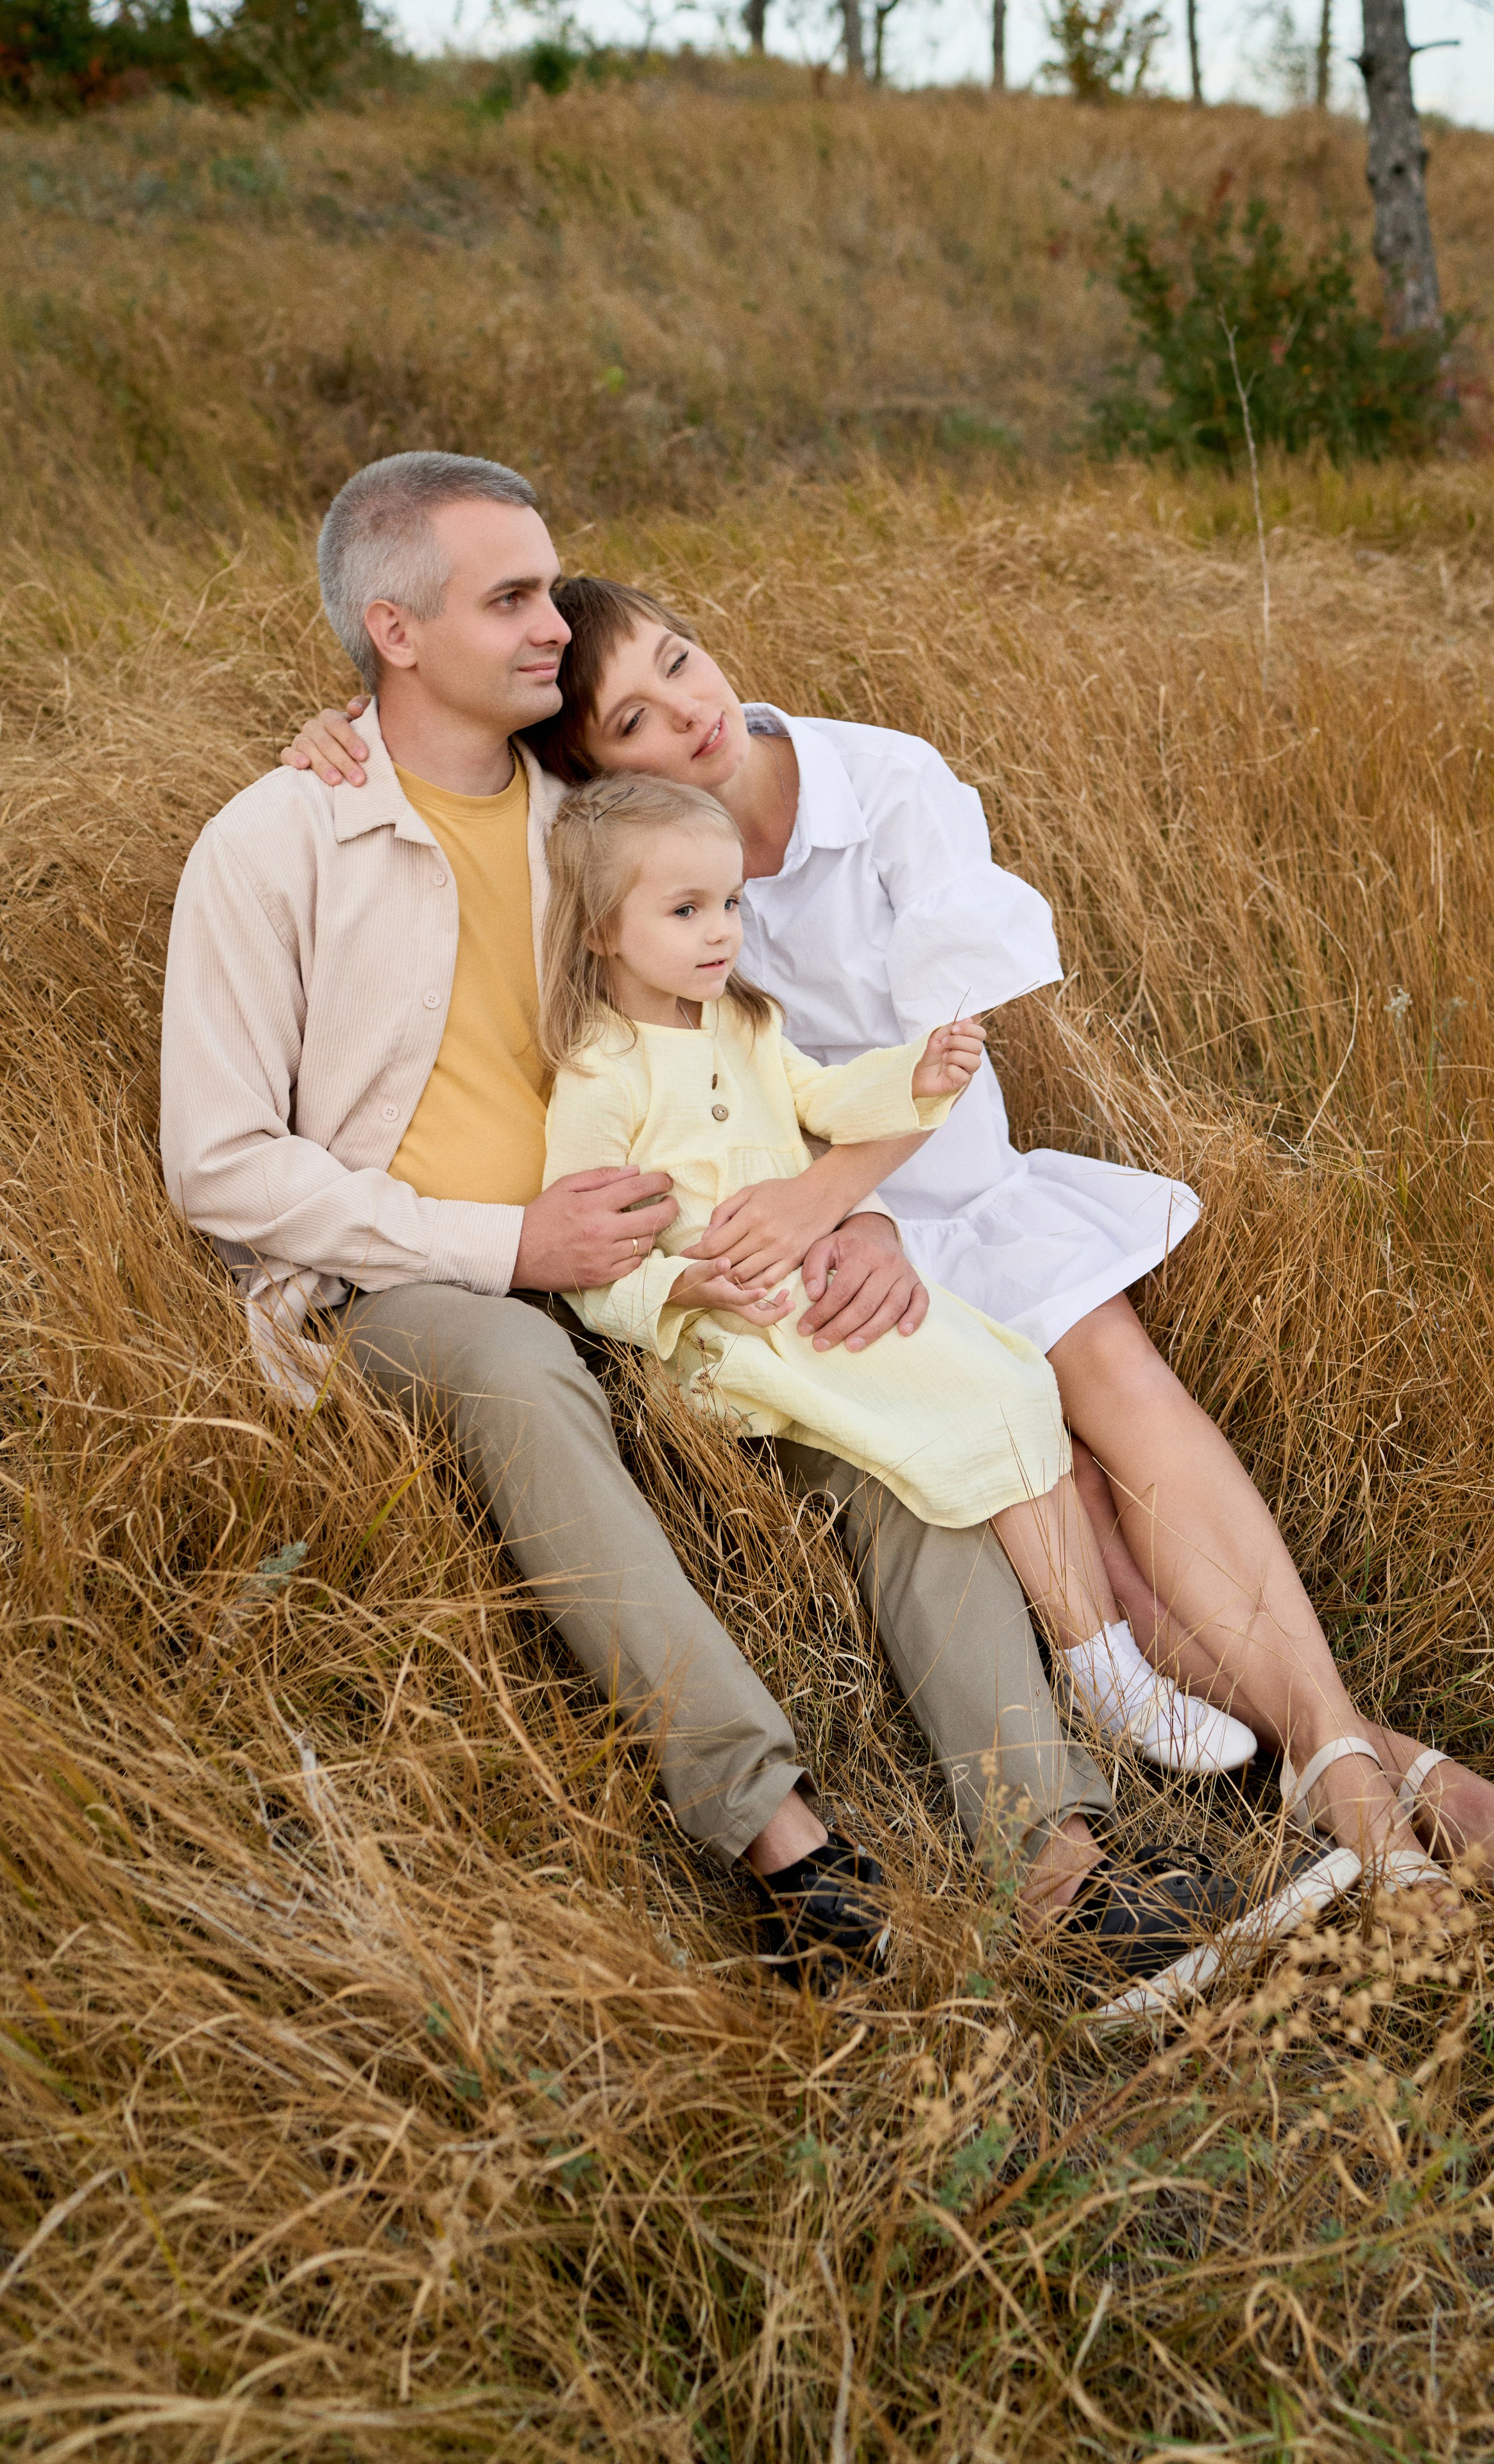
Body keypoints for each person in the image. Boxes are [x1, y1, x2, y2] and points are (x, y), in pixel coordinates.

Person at [162, 447, 1346, 2023]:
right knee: (517, 1373)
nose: (552, 623)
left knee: (886, 1410)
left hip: (674, 1261)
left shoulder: (596, 818)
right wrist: (510, 1246)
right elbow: (220, 1164)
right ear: (394, 631)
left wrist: (851, 1213)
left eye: (549, 588)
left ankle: (1059, 1867)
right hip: (419, 1278)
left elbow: (749, 1032)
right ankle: (789, 1855)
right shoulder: (280, 839)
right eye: (510, 599)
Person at [284, 566, 1494, 1912]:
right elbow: (464, 747)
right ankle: (1387, 1776)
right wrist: (346, 733)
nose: (687, 713)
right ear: (593, 777)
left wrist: (843, 1199)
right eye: (630, 721)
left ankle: (1354, 1777)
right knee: (1070, 1507)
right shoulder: (640, 864)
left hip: (955, 1192)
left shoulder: (882, 784)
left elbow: (944, 1046)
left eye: (680, 662)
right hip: (823, 1255)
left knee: (1123, 1392)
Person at [536, 768, 1262, 1790]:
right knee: (978, 1412)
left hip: (814, 1297)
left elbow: (827, 1100)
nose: (722, 931)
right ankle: (1110, 1676)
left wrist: (912, 1075)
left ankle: (1104, 1669)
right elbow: (592, 1268)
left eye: (732, 902)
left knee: (1018, 1382)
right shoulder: (599, 1075)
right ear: (600, 931)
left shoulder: (743, 1023)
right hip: (735, 1339)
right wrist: (685, 1291)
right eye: (686, 910)